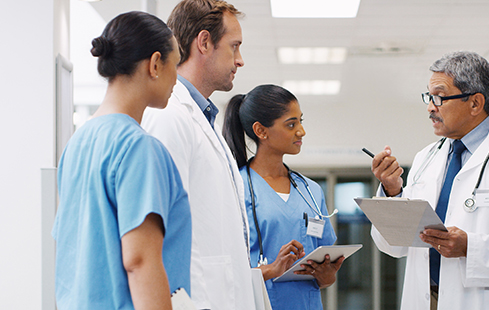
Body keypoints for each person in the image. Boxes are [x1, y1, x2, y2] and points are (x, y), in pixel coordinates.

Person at [369, 51, 489, 310]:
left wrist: (471, 247)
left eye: (439, 97)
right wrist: (392, 192)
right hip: (425, 299)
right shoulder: (426, 157)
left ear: (475, 103)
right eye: (428, 97)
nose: (430, 107)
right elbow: (395, 246)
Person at [52, 11, 189, 310]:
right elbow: (139, 261)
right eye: (175, 64)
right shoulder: (139, 148)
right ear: (155, 64)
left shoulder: (77, 144)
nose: (177, 77)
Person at [140, 0, 255, 308]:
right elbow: (158, 233)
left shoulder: (203, 118)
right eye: (234, 47)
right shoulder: (169, 117)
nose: (240, 60)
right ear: (204, 42)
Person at [222, 84, 342, 309]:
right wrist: (271, 269)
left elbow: (326, 280)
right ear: (261, 131)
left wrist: (326, 275)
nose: (301, 131)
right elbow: (223, 271)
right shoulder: (234, 188)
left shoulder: (310, 190)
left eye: (301, 121)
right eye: (291, 124)